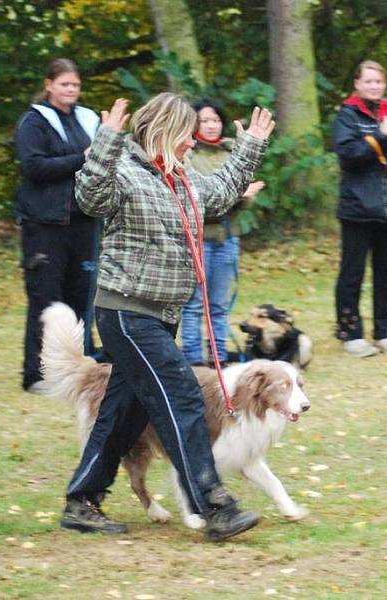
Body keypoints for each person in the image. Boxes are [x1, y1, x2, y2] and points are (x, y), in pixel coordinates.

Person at [61, 93, 275, 540]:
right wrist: (105, 141)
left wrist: (250, 145)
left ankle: (82, 502)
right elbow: (89, 196)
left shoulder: (181, 180)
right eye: (186, 134)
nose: (193, 142)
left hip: (160, 317)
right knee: (183, 396)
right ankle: (213, 505)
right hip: (126, 313)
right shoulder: (123, 172)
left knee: (122, 413)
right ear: (165, 132)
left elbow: (220, 192)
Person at [14, 58, 100, 393]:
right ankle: (35, 374)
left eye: (76, 85)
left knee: (82, 297)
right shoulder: (33, 122)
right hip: (44, 223)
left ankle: (75, 368)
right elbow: (34, 167)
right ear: (49, 85)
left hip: (83, 222)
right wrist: (82, 158)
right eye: (65, 84)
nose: (71, 90)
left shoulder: (88, 120)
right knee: (46, 298)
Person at [332, 60, 387, 357]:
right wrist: (382, 133)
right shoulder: (347, 116)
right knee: (352, 273)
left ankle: (386, 331)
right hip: (357, 207)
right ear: (357, 84)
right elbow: (350, 156)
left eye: (378, 82)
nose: (374, 86)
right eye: (368, 81)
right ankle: (350, 332)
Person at [181, 99, 265, 367]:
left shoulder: (231, 152)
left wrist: (242, 197)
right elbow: (199, 201)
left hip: (228, 238)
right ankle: (193, 359)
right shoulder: (187, 155)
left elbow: (239, 199)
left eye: (215, 120)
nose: (210, 125)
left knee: (219, 305)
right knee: (194, 304)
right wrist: (239, 196)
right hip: (199, 239)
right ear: (194, 123)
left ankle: (218, 357)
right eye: (204, 120)